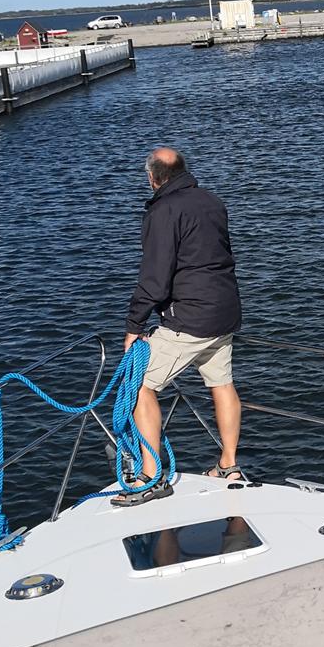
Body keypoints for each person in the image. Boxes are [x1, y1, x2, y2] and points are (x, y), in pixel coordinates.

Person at [114, 147, 243, 506]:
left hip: (190, 318)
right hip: (224, 312)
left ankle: (151, 477)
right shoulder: (212, 201)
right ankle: (229, 465)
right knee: (221, 382)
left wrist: (134, 324)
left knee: (137, 384)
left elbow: (155, 278)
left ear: (153, 178)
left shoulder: (163, 211)